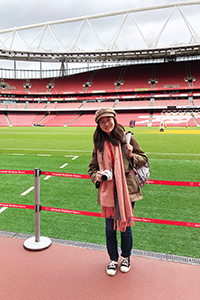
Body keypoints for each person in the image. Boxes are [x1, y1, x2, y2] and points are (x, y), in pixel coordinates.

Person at [88, 108, 148, 276]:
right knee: (109, 229)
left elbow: (143, 158)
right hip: (107, 191)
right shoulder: (98, 144)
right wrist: (97, 177)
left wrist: (131, 155)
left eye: (109, 120)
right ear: (98, 125)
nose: (106, 124)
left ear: (114, 119)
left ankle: (126, 257)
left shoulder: (127, 137)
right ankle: (113, 259)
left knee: (125, 228)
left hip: (126, 190)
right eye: (102, 122)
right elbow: (92, 168)